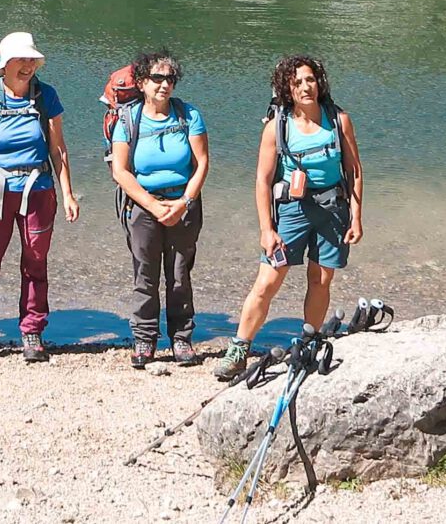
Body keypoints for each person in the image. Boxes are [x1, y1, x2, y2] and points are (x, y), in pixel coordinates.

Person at [213, 54, 361, 382]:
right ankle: (239, 349)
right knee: (268, 281)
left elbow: (354, 171)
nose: (306, 87)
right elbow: (262, 181)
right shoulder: (276, 128)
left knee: (321, 279)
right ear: (287, 89)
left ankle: (310, 339)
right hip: (291, 211)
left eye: (310, 80)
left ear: (319, 82)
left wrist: (356, 216)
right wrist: (267, 229)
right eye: (297, 83)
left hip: (332, 211)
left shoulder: (339, 120)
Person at [0, 31, 79, 363]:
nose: (27, 67)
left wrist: (67, 193)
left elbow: (58, 149)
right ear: (5, 64)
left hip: (38, 191)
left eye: (31, 61)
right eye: (21, 60)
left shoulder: (45, 96)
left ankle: (32, 331)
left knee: (35, 262)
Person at [108, 48, 210, 367]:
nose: (164, 85)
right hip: (142, 207)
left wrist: (184, 203)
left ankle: (181, 339)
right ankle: (144, 339)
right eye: (157, 78)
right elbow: (120, 170)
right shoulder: (128, 120)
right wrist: (152, 204)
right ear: (141, 82)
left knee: (180, 275)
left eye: (170, 79)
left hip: (183, 204)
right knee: (145, 274)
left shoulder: (188, 115)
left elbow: (202, 162)